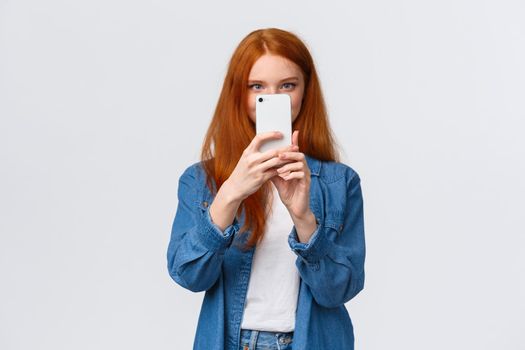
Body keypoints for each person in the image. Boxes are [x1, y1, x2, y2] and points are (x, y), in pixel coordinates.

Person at [166, 27, 366, 350]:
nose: (274, 99)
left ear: (305, 92)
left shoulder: (340, 183)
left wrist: (304, 219)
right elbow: (188, 275)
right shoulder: (201, 180)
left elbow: (339, 290)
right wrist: (230, 193)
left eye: (287, 85)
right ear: (238, 94)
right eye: (257, 87)